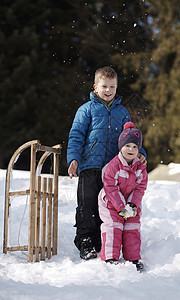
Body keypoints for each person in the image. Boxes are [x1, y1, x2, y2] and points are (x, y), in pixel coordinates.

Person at [67, 66, 146, 260]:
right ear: (95, 87)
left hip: (112, 169)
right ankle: (86, 241)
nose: (108, 90)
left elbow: (131, 136)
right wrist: (74, 159)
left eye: (112, 86)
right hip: (89, 166)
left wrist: (140, 153)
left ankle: (106, 239)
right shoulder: (86, 109)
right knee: (87, 205)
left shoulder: (121, 112)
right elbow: (76, 135)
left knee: (109, 204)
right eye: (104, 86)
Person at [98, 122, 148, 272]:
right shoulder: (114, 165)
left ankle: (133, 258)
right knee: (114, 227)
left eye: (135, 147)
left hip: (130, 203)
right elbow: (110, 187)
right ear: (121, 147)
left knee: (132, 227)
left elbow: (140, 188)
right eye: (127, 146)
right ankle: (110, 257)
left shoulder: (140, 167)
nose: (131, 150)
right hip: (111, 203)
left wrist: (132, 205)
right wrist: (121, 207)